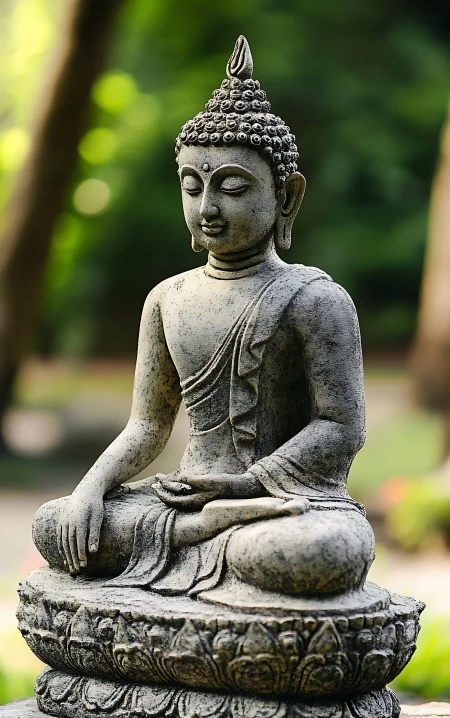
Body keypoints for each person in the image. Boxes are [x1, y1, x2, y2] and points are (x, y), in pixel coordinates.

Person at [33, 37, 374, 599]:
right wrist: (91, 488)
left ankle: (213, 533)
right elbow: (147, 427)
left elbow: (341, 428)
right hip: (182, 499)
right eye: (192, 187)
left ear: (286, 197)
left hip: (283, 504)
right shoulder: (168, 298)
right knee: (56, 523)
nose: (207, 208)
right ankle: (200, 530)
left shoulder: (315, 298)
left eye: (232, 187)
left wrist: (245, 486)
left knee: (321, 552)